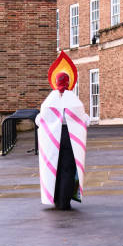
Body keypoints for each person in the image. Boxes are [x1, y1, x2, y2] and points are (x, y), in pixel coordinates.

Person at [35, 52, 88, 210]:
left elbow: (39, 120)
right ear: (69, 82)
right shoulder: (74, 100)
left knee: (54, 167)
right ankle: (65, 201)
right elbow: (85, 120)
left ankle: (56, 199)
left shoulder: (50, 100)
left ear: (55, 82)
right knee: (68, 168)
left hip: (52, 138)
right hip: (70, 137)